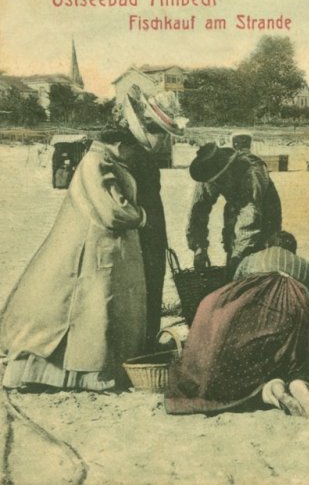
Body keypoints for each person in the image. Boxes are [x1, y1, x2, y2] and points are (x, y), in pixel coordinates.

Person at [0, 132, 148, 391]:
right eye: (130, 148)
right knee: (84, 310)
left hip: (102, 247)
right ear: (119, 144)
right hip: (91, 247)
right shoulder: (97, 163)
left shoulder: (108, 162)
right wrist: (142, 216)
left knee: (94, 311)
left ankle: (90, 372)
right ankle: (75, 375)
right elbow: (113, 210)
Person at [165, 231, 309, 418]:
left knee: (243, 366)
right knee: (290, 361)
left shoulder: (251, 260)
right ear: (293, 250)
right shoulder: (303, 265)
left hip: (254, 323)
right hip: (289, 322)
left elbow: (234, 295)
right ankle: (296, 382)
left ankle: (272, 387)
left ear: (267, 246)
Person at [116, 85, 186, 352]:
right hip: (143, 231)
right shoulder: (136, 157)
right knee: (146, 287)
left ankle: (146, 339)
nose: (164, 142)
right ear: (147, 130)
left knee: (150, 286)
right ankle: (143, 343)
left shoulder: (138, 154)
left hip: (150, 231)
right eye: (161, 134)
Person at [186, 142, 282, 279]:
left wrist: (237, 257)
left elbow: (250, 219)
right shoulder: (207, 170)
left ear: (228, 169)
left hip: (266, 208)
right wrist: (199, 247)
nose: (217, 184)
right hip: (236, 206)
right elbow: (198, 209)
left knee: (258, 258)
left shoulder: (250, 172)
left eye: (221, 179)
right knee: (232, 250)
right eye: (214, 181)